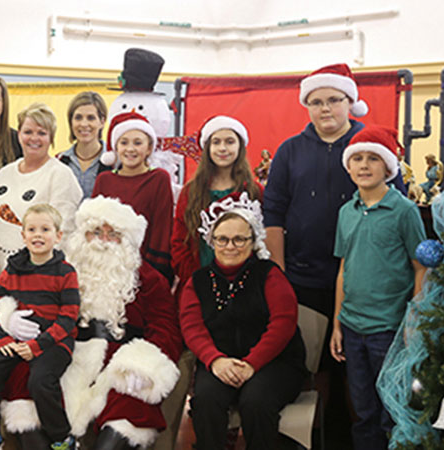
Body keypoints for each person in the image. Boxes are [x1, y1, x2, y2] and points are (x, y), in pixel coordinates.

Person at [261, 63, 404, 446]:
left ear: (349, 102)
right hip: (304, 281)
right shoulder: (290, 151)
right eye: (316, 101)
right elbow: (273, 211)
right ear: (307, 105)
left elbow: (398, 207)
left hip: (362, 287)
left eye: (333, 100)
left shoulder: (369, 145)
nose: (325, 109)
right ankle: (324, 439)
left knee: (361, 375)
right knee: (314, 368)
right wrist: (279, 272)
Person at [0, 197, 181, 450]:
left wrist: (144, 362)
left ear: (128, 243)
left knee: (130, 402)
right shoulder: (57, 269)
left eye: (113, 234)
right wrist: (11, 317)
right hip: (64, 352)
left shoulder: (150, 280)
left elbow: (166, 328)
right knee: (22, 383)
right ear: (82, 236)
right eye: (96, 232)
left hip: (119, 360)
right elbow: (21, 296)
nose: (103, 241)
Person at [179, 195, 306, 450]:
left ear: (253, 241)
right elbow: (192, 327)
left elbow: (284, 323)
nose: (230, 246)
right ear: (211, 241)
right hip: (219, 362)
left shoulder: (269, 274)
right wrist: (214, 359)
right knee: (205, 400)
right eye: (222, 239)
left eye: (239, 239)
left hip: (274, 363)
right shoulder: (198, 281)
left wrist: (252, 363)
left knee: (256, 400)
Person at [330, 125, 425, 450]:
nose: (364, 165)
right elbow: (343, 270)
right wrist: (337, 323)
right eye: (357, 158)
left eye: (373, 158)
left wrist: (413, 318)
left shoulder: (404, 211)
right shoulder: (346, 212)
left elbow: (420, 267)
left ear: (388, 167)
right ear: (349, 166)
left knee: (391, 411)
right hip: (353, 329)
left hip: (389, 329)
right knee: (363, 411)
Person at [0, 204, 80, 450]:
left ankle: (61, 437)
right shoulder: (14, 268)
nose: (38, 235)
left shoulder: (66, 272)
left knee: (40, 381)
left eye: (45, 229)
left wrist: (37, 346)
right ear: (23, 236)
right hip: (16, 340)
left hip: (54, 342)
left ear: (58, 236)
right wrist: (2, 339)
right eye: (31, 229)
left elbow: (69, 317)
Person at [0, 103, 83, 274]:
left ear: (51, 138)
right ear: (19, 135)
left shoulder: (60, 175)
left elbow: (63, 233)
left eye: (42, 133)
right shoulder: (4, 173)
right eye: (28, 132)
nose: (34, 138)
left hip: (40, 275)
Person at [171, 115, 261, 287]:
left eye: (229, 142)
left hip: (245, 284)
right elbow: (179, 242)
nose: (223, 148)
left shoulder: (254, 191)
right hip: (199, 282)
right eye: (216, 142)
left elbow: (262, 240)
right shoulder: (191, 192)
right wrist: (196, 278)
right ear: (207, 148)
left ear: (240, 147)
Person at [92, 112, 174, 282]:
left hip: (147, 270)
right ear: (116, 147)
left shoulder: (159, 178)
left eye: (138, 143)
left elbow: (162, 228)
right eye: (124, 142)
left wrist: (153, 271)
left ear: (149, 148)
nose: (130, 149)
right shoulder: (104, 180)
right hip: (109, 270)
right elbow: (94, 226)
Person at [57, 91, 109, 199]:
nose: (84, 124)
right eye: (78, 118)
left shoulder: (115, 163)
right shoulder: (60, 161)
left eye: (91, 118)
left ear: (102, 122)